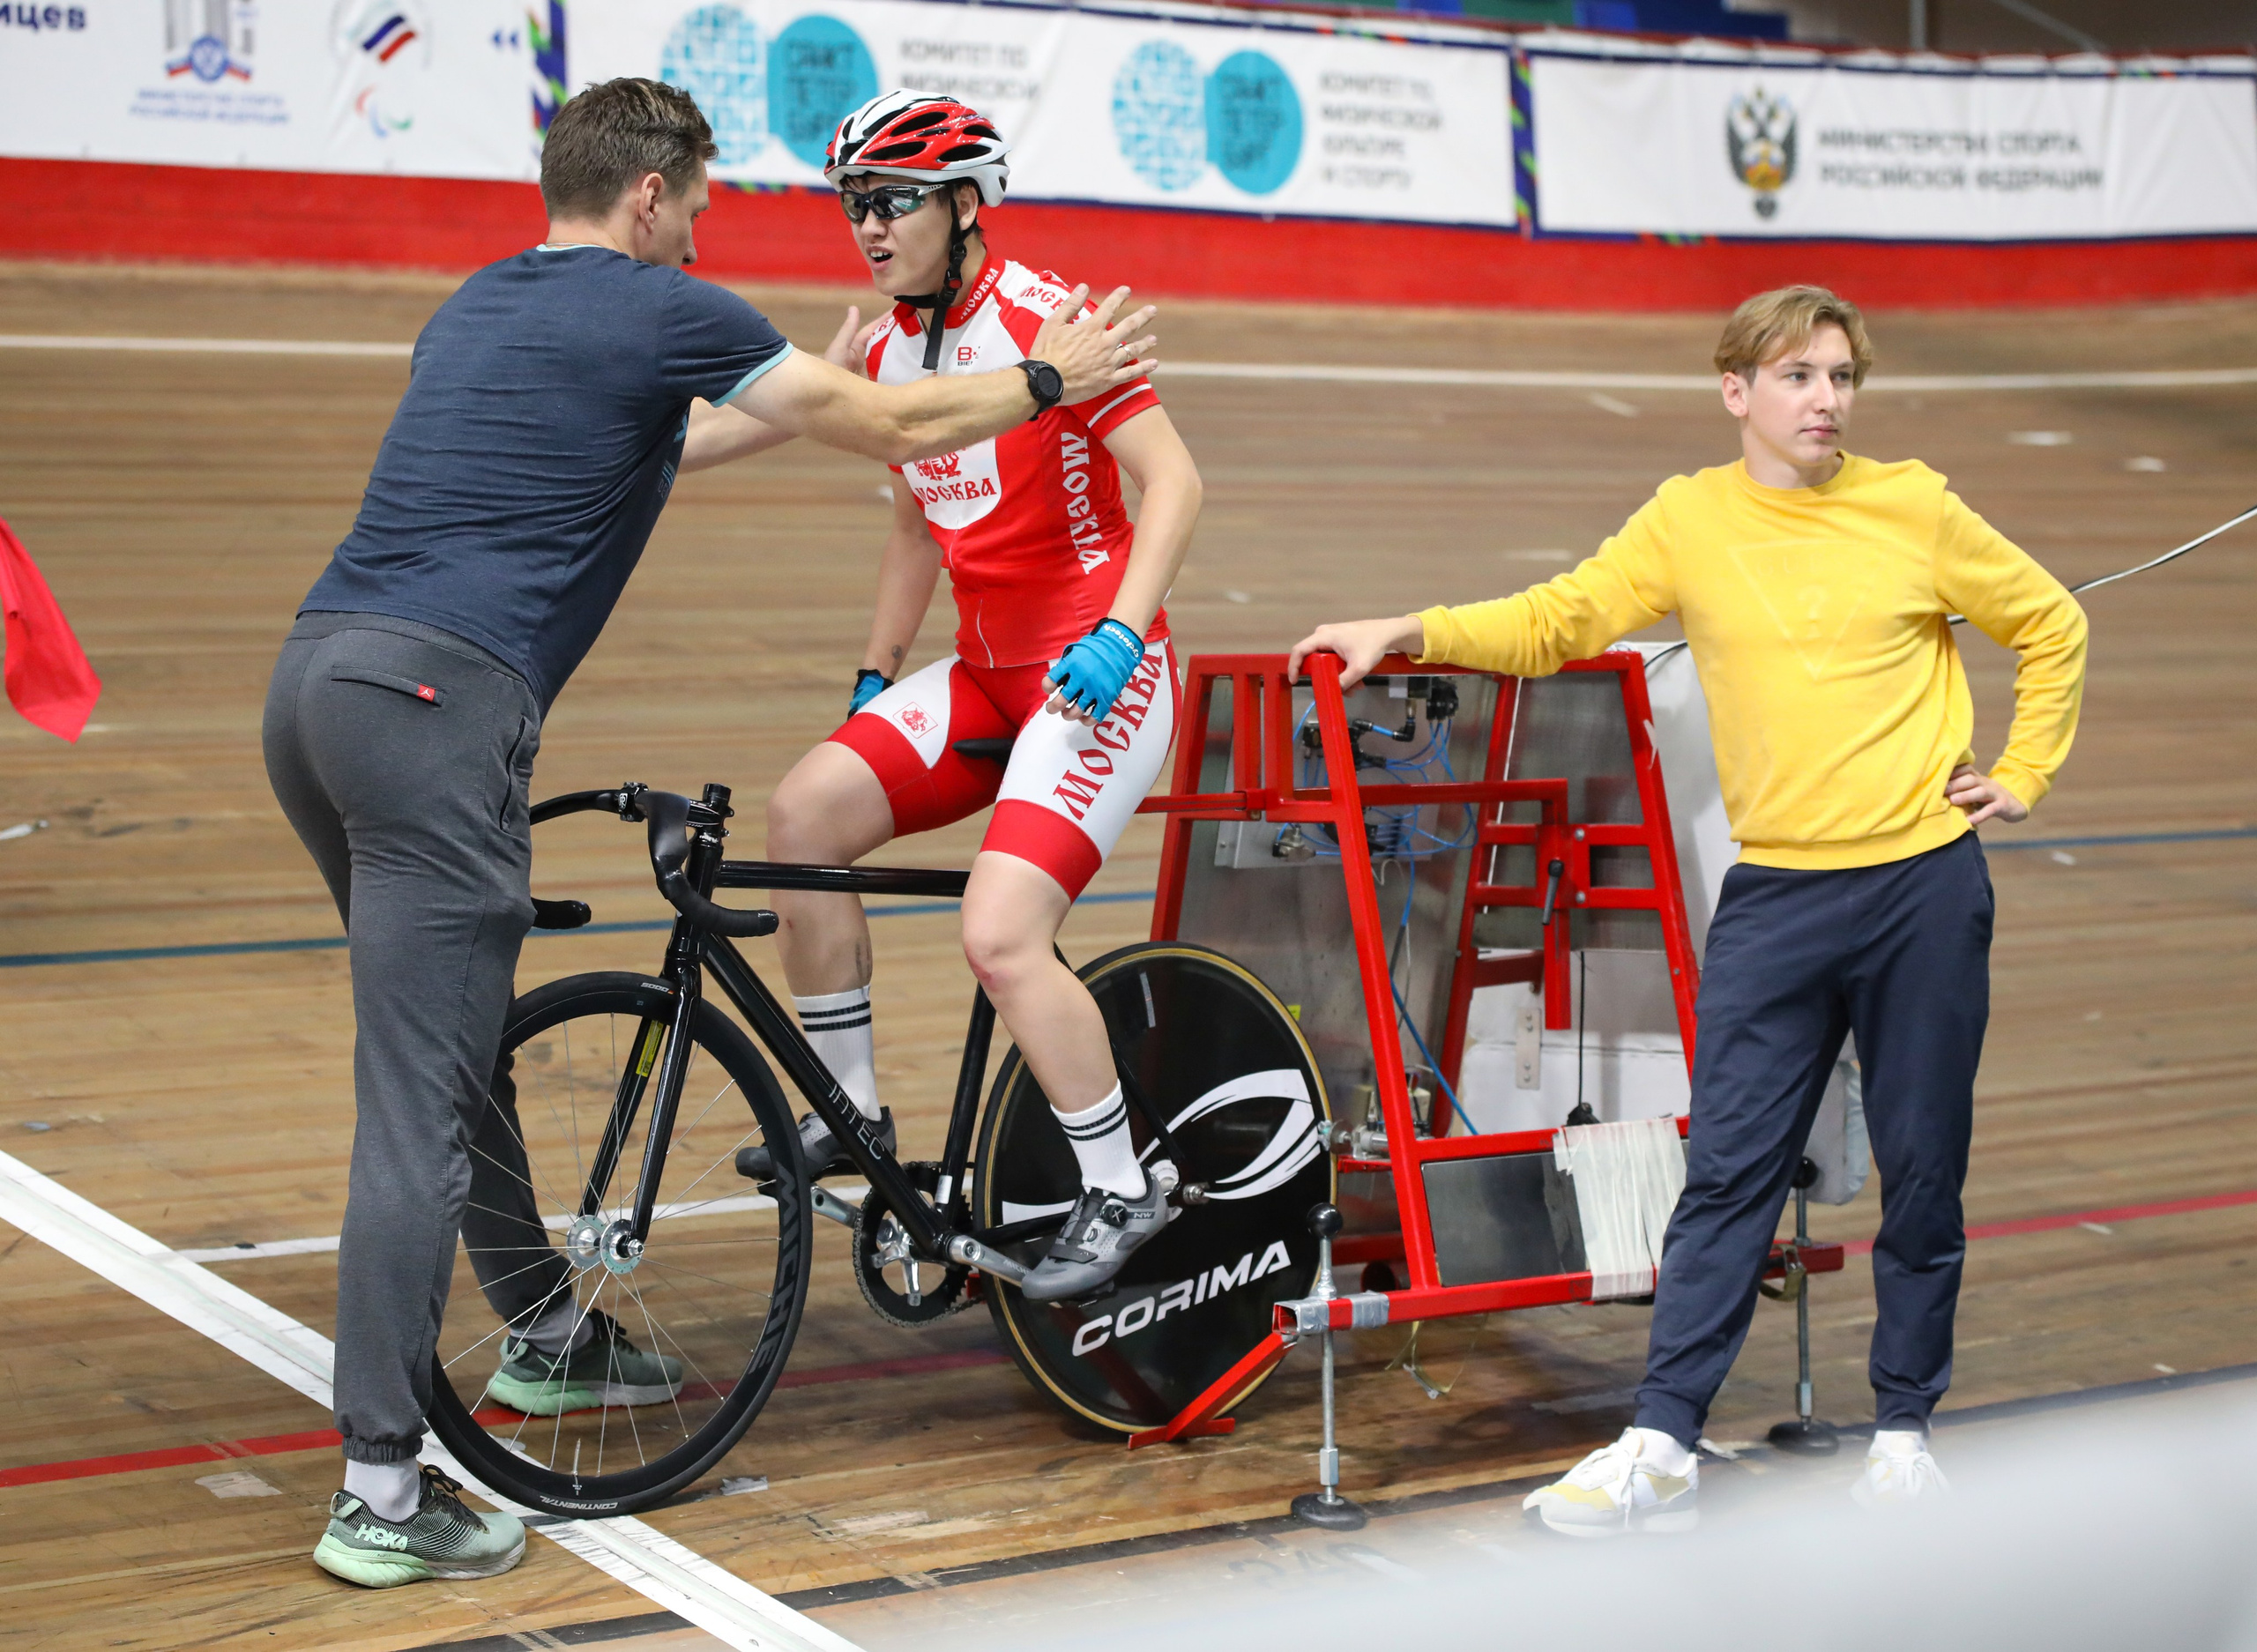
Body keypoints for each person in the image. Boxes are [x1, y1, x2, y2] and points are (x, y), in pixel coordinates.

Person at [263, 76, 1157, 1589]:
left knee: (452, 1050)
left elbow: (676, 447)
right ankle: (381, 1487)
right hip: (432, 709)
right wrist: (1050, 377)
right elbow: (877, 417)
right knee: (417, 1100)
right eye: (705, 209)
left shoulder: (476, 307)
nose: (707, 237)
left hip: (314, 688)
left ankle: (544, 1333)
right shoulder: (658, 307)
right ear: (654, 196)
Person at [1288, 285, 2087, 1533]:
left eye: (1841, 378)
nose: (1826, 399)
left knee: (1924, 1169)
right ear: (1737, 393)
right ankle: (1663, 1438)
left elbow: (2053, 623)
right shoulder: (1688, 518)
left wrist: (2023, 773)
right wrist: (1412, 625)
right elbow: (1565, 615)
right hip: (1777, 895)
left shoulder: (1916, 505)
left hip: (1922, 888)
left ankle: (1902, 1431)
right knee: (1727, 1172)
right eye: (1799, 377)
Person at [736, 91, 1204, 1305]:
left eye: (891, 202)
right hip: (991, 671)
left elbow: (1176, 483)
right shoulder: (889, 351)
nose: (869, 227)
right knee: (801, 822)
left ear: (964, 203)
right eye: (854, 205)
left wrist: (1121, 628)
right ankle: (855, 1115)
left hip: (1101, 670)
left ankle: (1123, 1183)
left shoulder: (1057, 322)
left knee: (998, 932)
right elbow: (911, 522)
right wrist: (876, 674)